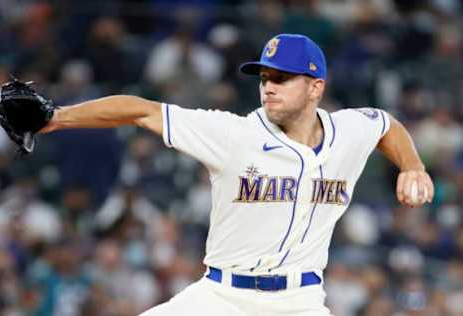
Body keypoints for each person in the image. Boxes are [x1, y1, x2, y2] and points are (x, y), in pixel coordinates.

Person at [39, 34, 434, 315]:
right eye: (264, 78)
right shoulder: (234, 134)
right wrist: (57, 118)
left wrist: (412, 164)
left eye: (281, 78)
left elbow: (385, 125)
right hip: (220, 298)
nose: (268, 88)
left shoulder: (348, 130)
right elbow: (141, 110)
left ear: (315, 88)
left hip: (298, 302)